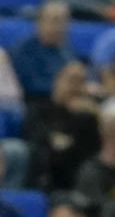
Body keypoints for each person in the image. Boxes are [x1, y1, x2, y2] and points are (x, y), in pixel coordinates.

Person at [25, 62, 100, 193]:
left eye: (81, 82)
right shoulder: (39, 111)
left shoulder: (89, 117)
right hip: (51, 180)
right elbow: (45, 146)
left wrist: (97, 115)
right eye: (72, 81)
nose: (76, 88)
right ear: (57, 81)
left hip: (83, 181)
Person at [9, 2, 75, 103]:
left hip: (68, 101)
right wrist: (64, 90)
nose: (60, 27)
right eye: (55, 21)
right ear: (39, 23)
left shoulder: (68, 49)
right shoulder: (24, 49)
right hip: (38, 105)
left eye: (64, 21)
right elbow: (29, 85)